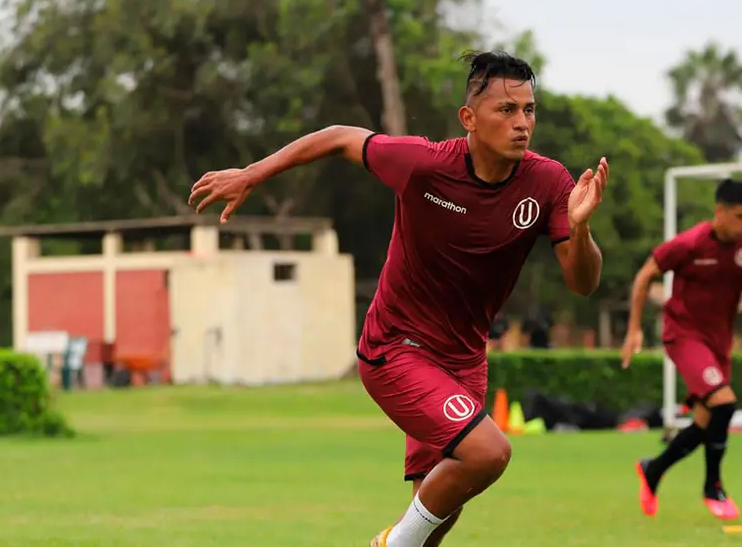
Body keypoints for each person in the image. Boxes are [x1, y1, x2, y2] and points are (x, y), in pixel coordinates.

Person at [188, 50, 608, 547]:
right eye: (507, 110)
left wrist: (580, 230)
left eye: (529, 110)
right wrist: (251, 174)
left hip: (463, 359)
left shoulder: (548, 182)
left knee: (439, 510)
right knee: (488, 453)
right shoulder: (424, 165)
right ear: (469, 119)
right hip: (395, 349)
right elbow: (341, 137)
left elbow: (582, 283)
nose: (522, 123)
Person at [620, 178, 742, 521]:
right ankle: (712, 486)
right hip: (684, 335)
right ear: (720, 211)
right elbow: (645, 275)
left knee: (706, 420)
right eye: (741, 216)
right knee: (725, 403)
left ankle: (653, 469)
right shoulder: (690, 243)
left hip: (719, 342)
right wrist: (633, 330)